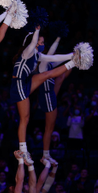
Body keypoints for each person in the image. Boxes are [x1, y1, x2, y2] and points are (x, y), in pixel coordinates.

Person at [10, 27, 77, 164]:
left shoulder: (37, 56)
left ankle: (73, 62)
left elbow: (54, 57)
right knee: (25, 118)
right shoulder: (28, 52)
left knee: (47, 74)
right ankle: (23, 150)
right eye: (40, 42)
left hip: (25, 83)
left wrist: (73, 55)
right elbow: (34, 41)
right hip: (19, 84)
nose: (42, 45)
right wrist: (36, 29)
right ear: (34, 43)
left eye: (42, 42)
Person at [38, 35, 73, 164]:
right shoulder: (42, 64)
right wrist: (58, 37)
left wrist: (75, 58)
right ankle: (45, 155)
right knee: (49, 127)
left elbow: (60, 63)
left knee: (50, 127)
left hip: (50, 94)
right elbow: (52, 53)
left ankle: (46, 154)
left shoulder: (49, 65)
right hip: (47, 96)